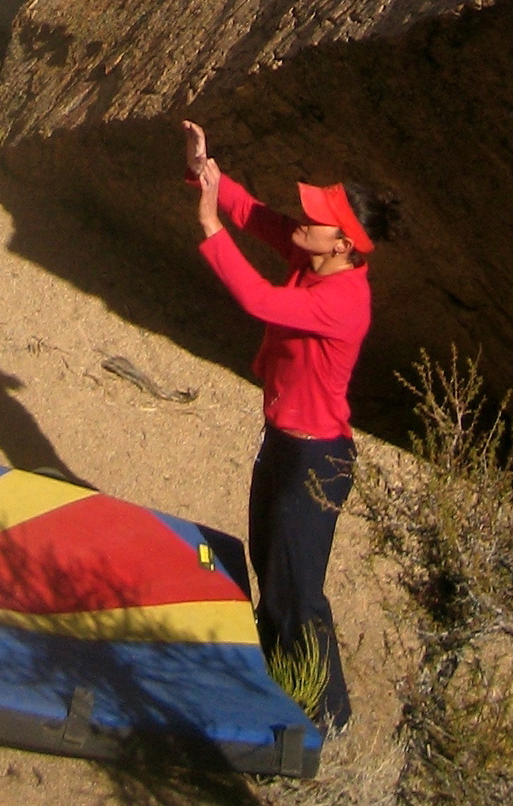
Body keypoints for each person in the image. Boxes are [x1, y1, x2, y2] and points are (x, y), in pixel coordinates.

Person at [182, 117, 397, 736]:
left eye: (317, 218)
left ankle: (329, 722)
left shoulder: (343, 300)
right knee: (271, 578)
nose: (302, 219)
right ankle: (280, 690)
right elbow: (253, 213)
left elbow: (258, 299)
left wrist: (208, 227)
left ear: (344, 245)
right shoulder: (311, 257)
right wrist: (205, 170)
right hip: (282, 445)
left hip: (316, 462)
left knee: (299, 594)